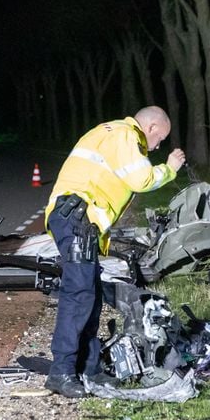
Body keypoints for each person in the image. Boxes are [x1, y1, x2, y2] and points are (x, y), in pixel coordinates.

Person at [44, 106, 187, 398]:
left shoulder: (109, 131)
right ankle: (61, 372)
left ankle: (87, 366)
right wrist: (170, 168)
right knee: (80, 293)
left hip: (78, 219)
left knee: (91, 294)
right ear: (152, 128)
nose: (158, 146)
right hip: (77, 217)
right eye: (160, 140)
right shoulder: (125, 135)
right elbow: (141, 179)